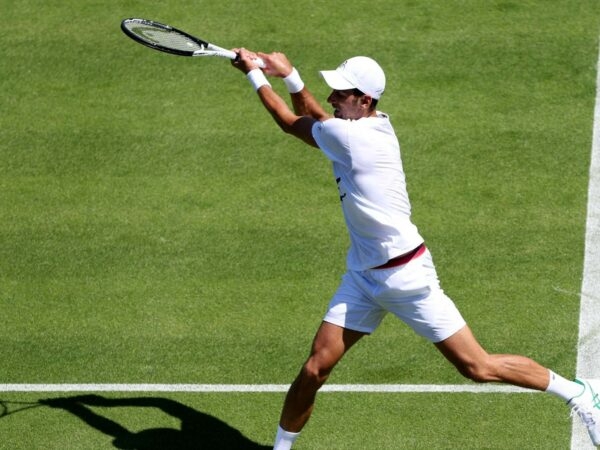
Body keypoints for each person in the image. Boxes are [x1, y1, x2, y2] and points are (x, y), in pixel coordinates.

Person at [230, 48, 600, 449]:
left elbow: (292, 123)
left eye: (341, 93)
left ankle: (577, 392)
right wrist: (290, 75)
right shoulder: (356, 127)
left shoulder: (352, 138)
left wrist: (256, 74)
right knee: (315, 368)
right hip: (362, 277)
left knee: (477, 366)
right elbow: (319, 120)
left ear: (364, 100)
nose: (333, 99)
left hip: (407, 277)